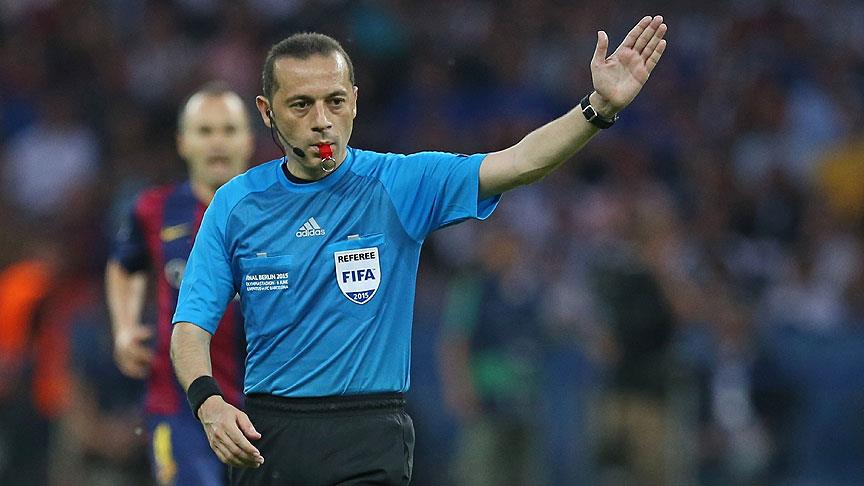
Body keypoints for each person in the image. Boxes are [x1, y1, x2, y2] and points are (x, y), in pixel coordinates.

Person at [171, 16, 667, 486]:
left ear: (355, 101)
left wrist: (597, 109)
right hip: (268, 436)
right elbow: (190, 327)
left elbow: (519, 163)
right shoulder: (236, 205)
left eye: (335, 101)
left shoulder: (400, 183)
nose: (322, 121)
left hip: (369, 433)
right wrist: (208, 403)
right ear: (266, 112)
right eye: (301, 105)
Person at [106, 82, 253, 485]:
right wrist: (124, 327)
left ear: (248, 140)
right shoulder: (154, 209)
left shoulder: (276, 212)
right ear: (183, 143)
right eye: (205, 131)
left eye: (228, 130)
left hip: (263, 406)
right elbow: (125, 265)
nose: (217, 142)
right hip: (179, 407)